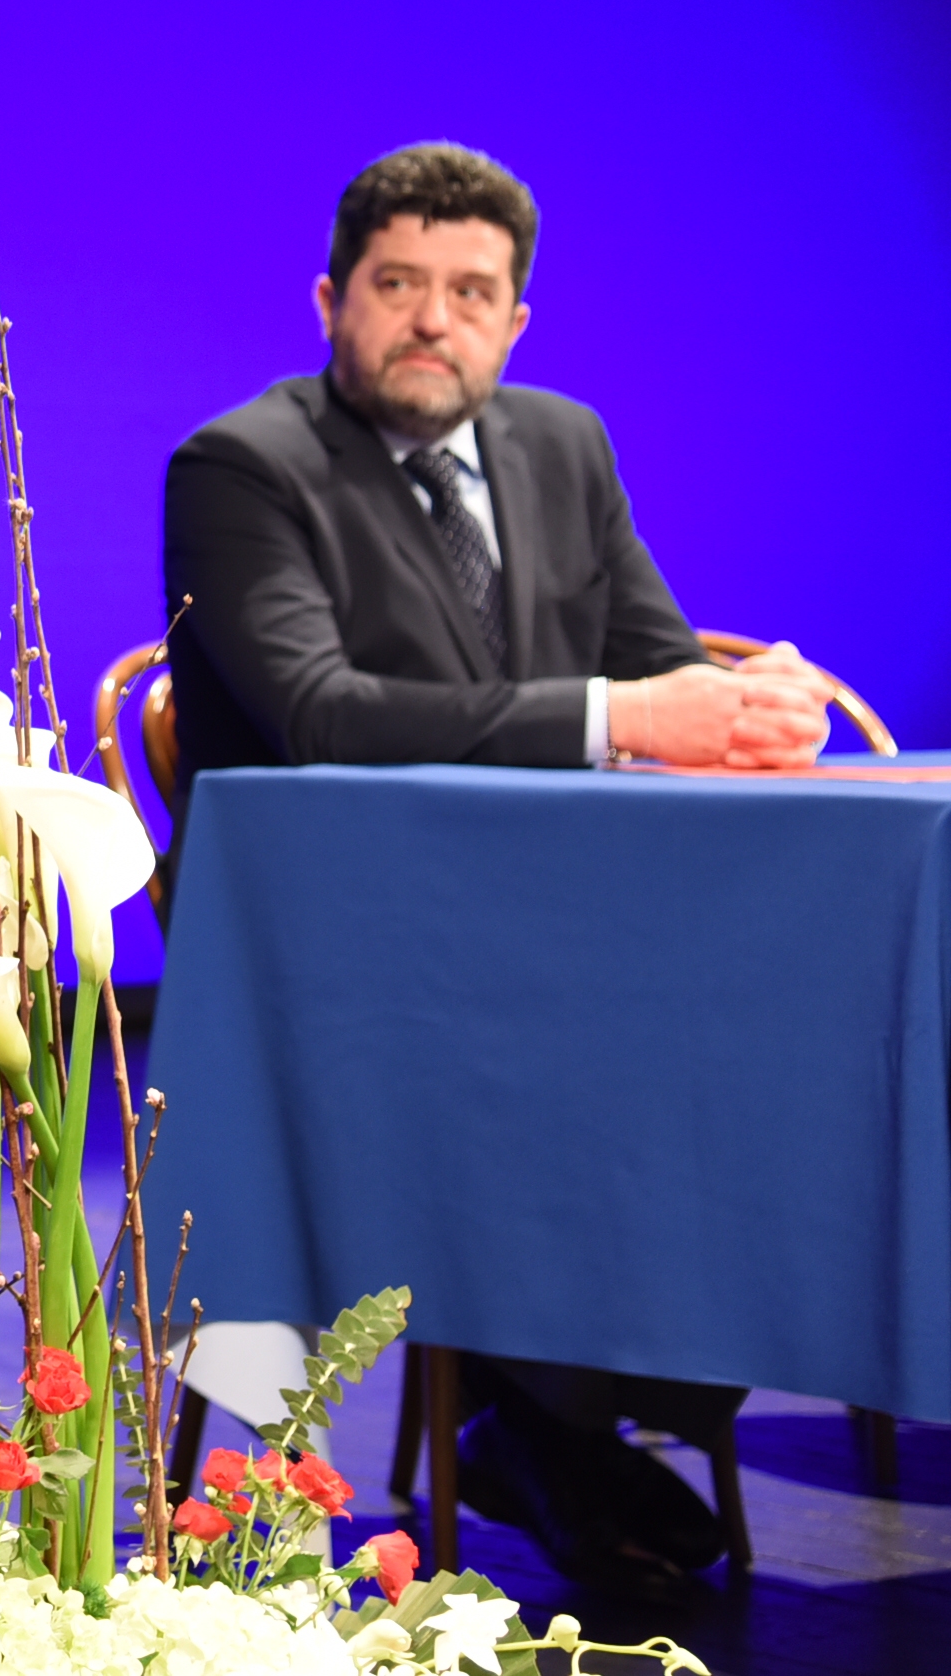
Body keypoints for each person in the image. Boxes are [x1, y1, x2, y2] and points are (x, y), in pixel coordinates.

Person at [162, 139, 829, 1600]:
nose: (433, 319)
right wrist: (623, 716)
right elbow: (321, 712)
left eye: (470, 292)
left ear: (515, 320)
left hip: (558, 934)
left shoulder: (563, 444)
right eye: (398, 284)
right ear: (332, 300)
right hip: (334, 963)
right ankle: (551, 1423)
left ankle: (571, 1409)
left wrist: (744, 707)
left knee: (781, 1040)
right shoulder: (242, 468)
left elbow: (655, 662)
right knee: (580, 1061)